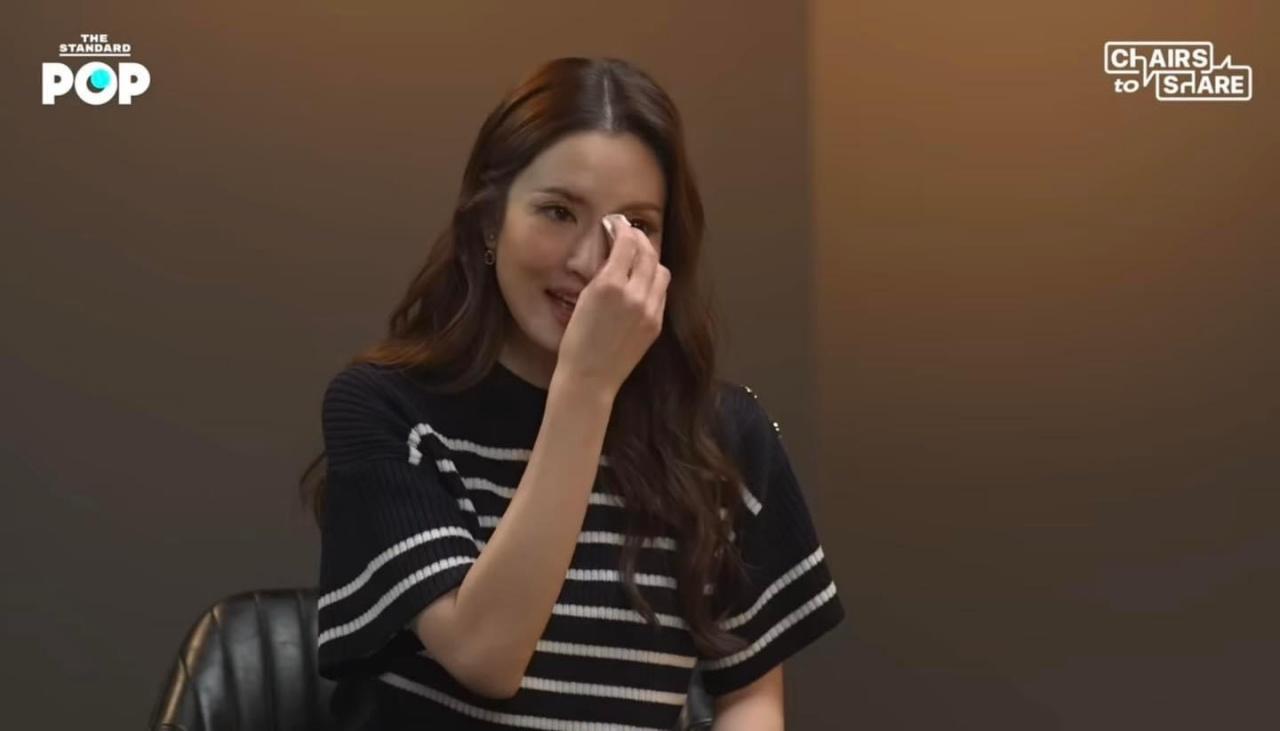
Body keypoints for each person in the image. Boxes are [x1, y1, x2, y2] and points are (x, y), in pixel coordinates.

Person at [301, 56, 844, 730]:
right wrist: (587, 385)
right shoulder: (387, 409)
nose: (590, 262)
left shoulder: (725, 434)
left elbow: (750, 695)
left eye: (634, 226)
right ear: (489, 222)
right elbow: (485, 654)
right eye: (558, 212)